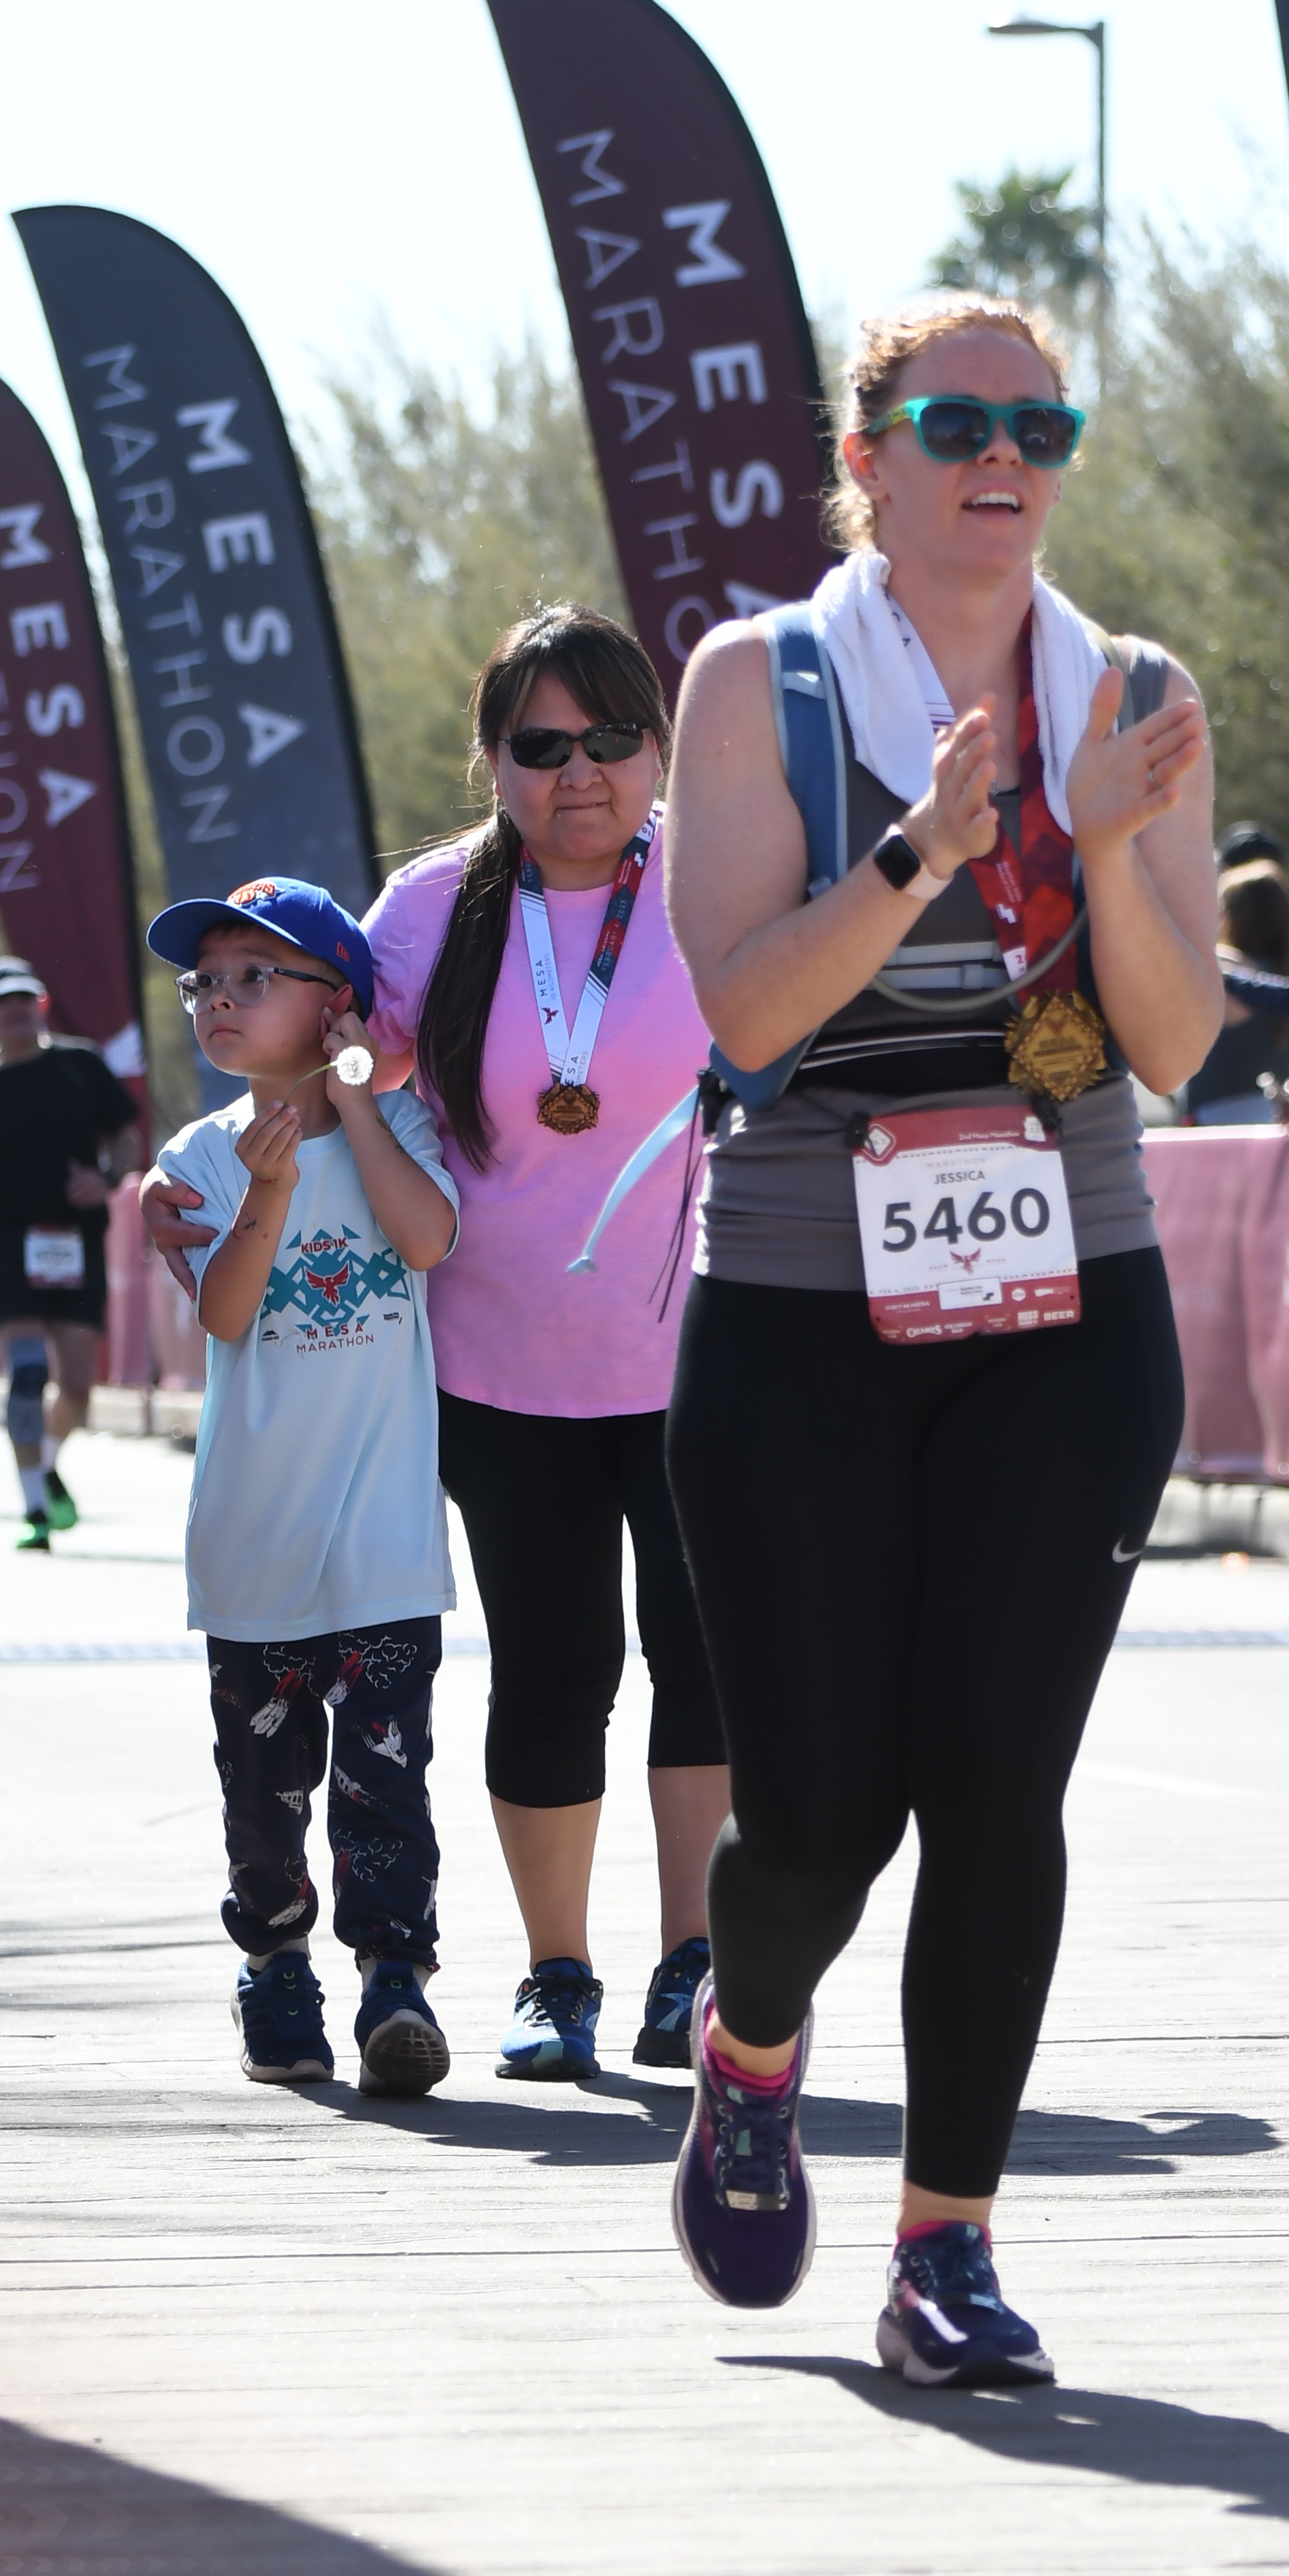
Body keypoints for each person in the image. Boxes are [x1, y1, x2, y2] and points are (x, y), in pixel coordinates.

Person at [659, 291, 1217, 2388]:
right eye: (961, 421)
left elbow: (1170, 1040)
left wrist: (1101, 837)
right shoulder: (759, 681)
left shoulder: (1135, 694)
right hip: (805, 1299)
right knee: (817, 1824)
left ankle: (947, 2247)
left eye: (1040, 427)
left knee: (997, 1784)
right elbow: (745, 1014)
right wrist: (923, 848)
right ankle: (751, 2039)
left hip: (1067, 1295)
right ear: (866, 456)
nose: (1005, 457)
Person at [360, 609, 727, 2086]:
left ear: (659, 748)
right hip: (499, 1368)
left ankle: (696, 1966)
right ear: (493, 759)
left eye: (612, 739)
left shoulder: (719, 881)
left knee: (705, 1660)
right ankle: (556, 1973)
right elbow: (339, 1050)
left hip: (706, 1357)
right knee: (552, 1666)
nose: (580, 771)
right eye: (541, 744)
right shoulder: (431, 907)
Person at [147, 880, 462, 2097]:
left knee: (387, 1780)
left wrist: (355, 1100)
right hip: (256, 1544)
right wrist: (268, 1192)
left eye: (253, 977)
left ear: (337, 1004)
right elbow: (226, 1315)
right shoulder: (199, 1158)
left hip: (384, 1542)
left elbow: (426, 1239)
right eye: (203, 983)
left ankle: (395, 1981)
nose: (218, 1000)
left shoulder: (405, 1126)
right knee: (265, 1791)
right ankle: (275, 1966)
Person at [0, 956, 142, 1550]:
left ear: (42, 1004)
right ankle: (33, 1508)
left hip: (74, 1239)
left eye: (25, 1000)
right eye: (3, 1003)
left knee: (77, 1385)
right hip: (4, 1243)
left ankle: (44, 1464)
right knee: (27, 1373)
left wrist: (106, 1179)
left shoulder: (80, 1065)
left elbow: (127, 1138)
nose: (16, 1011)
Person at [1175, 861, 1289, 1125]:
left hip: (1218, 1126)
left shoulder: (1225, 968)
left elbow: (1192, 957)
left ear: (1235, 917)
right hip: (1276, 1123)